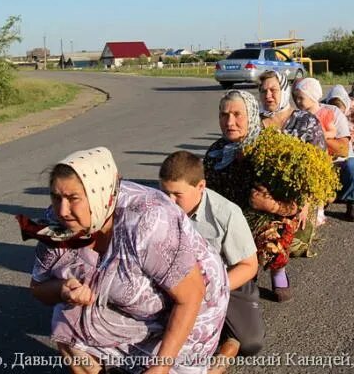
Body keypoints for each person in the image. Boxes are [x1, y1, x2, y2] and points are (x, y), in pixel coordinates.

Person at [20, 147, 229, 374]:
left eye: (73, 198)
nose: (63, 210)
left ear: (98, 193)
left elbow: (191, 296)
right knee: (67, 317)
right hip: (127, 305)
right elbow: (37, 287)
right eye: (56, 197)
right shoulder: (57, 224)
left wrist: (160, 368)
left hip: (194, 306)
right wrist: (62, 290)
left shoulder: (148, 221)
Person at [159, 151, 264, 369]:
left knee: (251, 342)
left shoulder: (226, 214)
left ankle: (226, 339)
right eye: (165, 192)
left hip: (223, 281)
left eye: (177, 194)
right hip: (174, 281)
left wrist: (210, 289)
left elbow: (248, 265)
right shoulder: (157, 208)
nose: (169, 201)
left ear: (200, 187)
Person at [204, 90, 306, 303]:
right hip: (229, 221)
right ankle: (241, 268)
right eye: (224, 115)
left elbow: (296, 204)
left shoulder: (272, 148)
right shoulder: (216, 153)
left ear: (251, 115)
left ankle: (277, 269)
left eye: (237, 114)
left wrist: (271, 206)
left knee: (276, 229)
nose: (229, 122)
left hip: (263, 219)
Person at [293, 78, 354, 221]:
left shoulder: (330, 112)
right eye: (296, 98)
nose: (298, 101)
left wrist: (317, 137)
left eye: (301, 97)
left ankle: (351, 202)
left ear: (312, 96)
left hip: (336, 162)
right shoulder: (296, 116)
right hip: (313, 162)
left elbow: (343, 148)